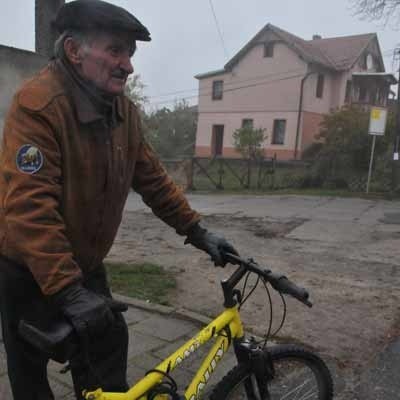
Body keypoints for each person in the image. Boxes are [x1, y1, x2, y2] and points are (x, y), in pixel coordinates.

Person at [0, 1, 237, 399]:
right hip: (25, 269)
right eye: (115, 50)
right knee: (30, 376)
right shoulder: (38, 105)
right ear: (75, 51)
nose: (127, 65)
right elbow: (28, 209)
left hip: (84, 265)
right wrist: (68, 292)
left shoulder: (122, 111)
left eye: (130, 54)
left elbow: (153, 179)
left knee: (107, 351)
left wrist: (197, 230)